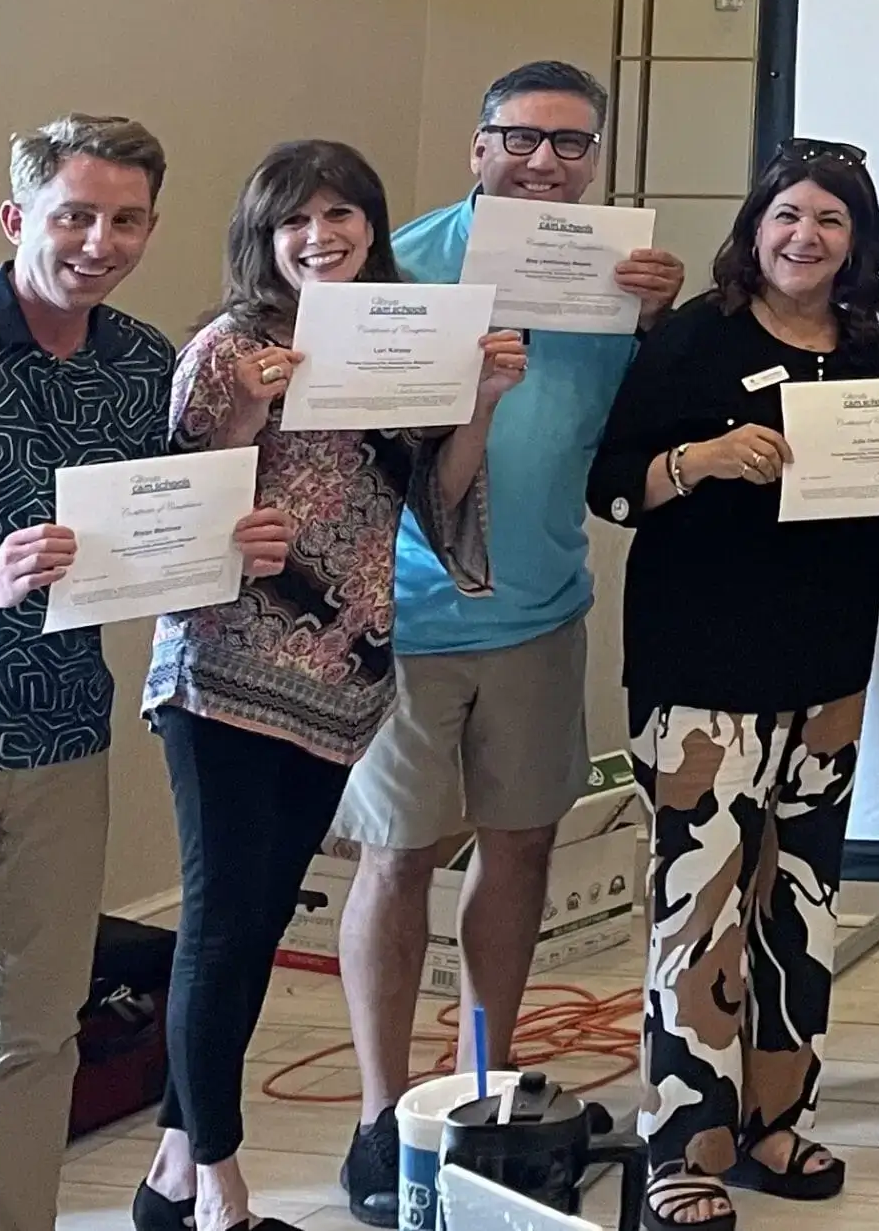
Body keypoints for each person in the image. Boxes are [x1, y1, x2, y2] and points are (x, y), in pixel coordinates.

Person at [0, 116, 293, 1231]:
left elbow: (159, 529)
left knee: (35, 1032)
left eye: (125, 220)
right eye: (75, 214)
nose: (98, 240)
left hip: (65, 737)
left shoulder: (137, 361)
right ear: (18, 217)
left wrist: (234, 544)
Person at [588, 141, 879, 1229]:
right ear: (754, 226)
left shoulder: (869, 349)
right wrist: (704, 461)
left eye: (833, 221)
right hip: (700, 679)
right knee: (698, 913)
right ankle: (683, 1143)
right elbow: (611, 484)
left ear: (860, 244)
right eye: (789, 215)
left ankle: (770, 1121)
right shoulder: (691, 340)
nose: (806, 236)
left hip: (825, 678)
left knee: (799, 907)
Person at [134, 141, 525, 1231]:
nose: (321, 236)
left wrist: (483, 397)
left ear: (373, 224)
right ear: (263, 238)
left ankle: (169, 1170)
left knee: (257, 922)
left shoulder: (407, 334)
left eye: (342, 213)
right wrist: (249, 409)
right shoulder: (229, 346)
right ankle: (217, 1184)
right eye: (295, 220)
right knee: (220, 921)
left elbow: (438, 497)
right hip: (223, 666)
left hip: (343, 676)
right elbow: (171, 500)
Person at [338, 60, 684, 1225]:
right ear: (478, 146)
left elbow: (633, 440)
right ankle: (385, 1113)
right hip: (406, 622)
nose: (546, 163)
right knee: (397, 858)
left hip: (542, 612)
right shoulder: (401, 265)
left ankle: (481, 1084)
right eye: (522, 139)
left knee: (522, 847)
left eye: (572, 146)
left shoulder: (610, 286)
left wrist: (657, 321)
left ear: (597, 161)